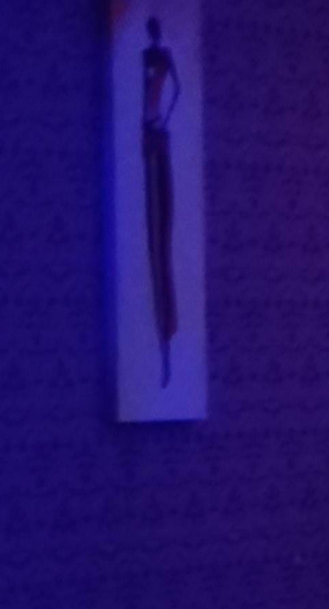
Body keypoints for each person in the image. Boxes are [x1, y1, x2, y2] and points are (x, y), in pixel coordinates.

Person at [142, 18, 184, 387]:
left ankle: (167, 346)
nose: (152, 35)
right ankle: (163, 349)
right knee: (153, 241)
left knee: (162, 239)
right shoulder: (146, 56)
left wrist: (163, 120)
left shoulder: (164, 56)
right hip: (148, 137)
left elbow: (176, 90)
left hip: (157, 135)